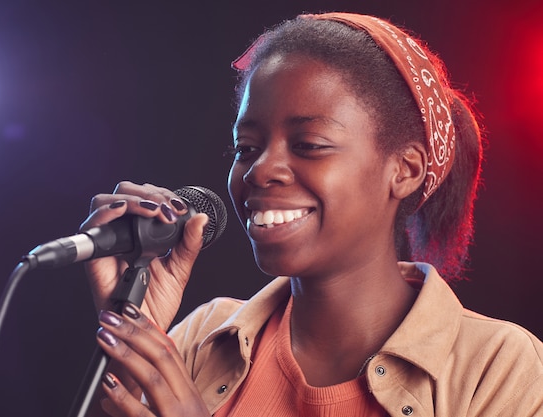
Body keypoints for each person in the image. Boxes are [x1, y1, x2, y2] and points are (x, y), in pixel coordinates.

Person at [79, 12, 543, 417]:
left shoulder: (499, 367)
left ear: (404, 170)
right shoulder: (203, 335)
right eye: (247, 148)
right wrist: (128, 339)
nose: (260, 170)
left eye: (309, 146)